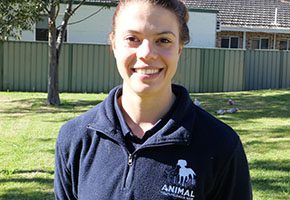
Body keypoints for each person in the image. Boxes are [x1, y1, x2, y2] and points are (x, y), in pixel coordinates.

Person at [54, 0, 252, 199]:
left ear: (180, 48)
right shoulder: (75, 138)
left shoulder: (221, 145)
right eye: (132, 38)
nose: (147, 53)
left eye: (163, 40)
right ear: (114, 44)